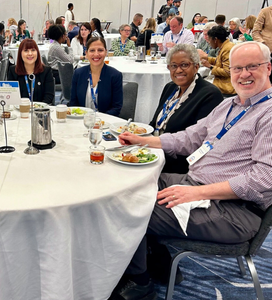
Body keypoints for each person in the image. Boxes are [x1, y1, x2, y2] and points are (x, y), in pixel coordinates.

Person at [114, 41, 272, 300]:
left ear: (268, 68)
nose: (244, 74)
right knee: (125, 183)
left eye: (252, 67)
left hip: (233, 209)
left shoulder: (268, 113)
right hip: (195, 182)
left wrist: (196, 194)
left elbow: (264, 179)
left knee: (130, 209)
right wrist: (142, 140)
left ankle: (140, 281)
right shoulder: (230, 105)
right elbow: (189, 138)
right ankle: (148, 258)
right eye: (237, 68)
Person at [150, 44, 223, 173]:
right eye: (173, 66)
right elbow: (155, 123)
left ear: (196, 66)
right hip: (154, 150)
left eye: (184, 65)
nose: (178, 70)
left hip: (178, 164)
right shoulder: (170, 87)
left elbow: (199, 141)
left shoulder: (210, 94)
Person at [70, 37, 123, 115]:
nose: (96, 54)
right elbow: (73, 103)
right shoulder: (78, 74)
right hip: (80, 121)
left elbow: (116, 108)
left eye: (100, 50)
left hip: (105, 123)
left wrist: (98, 120)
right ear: (86, 53)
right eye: (92, 50)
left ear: (106, 52)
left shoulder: (115, 76)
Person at [8, 39, 54, 104]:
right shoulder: (13, 71)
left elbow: (49, 96)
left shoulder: (46, 71)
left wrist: (38, 109)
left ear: (37, 52)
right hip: (20, 110)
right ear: (20, 53)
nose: (30, 54)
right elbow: (11, 96)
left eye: (33, 50)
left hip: (40, 111)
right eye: (26, 50)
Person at [198, 26, 236, 96]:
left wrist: (210, 67)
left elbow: (227, 72)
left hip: (227, 87)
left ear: (215, 39)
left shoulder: (227, 49)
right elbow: (221, 61)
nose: (209, 42)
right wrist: (207, 59)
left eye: (209, 39)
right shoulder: (226, 46)